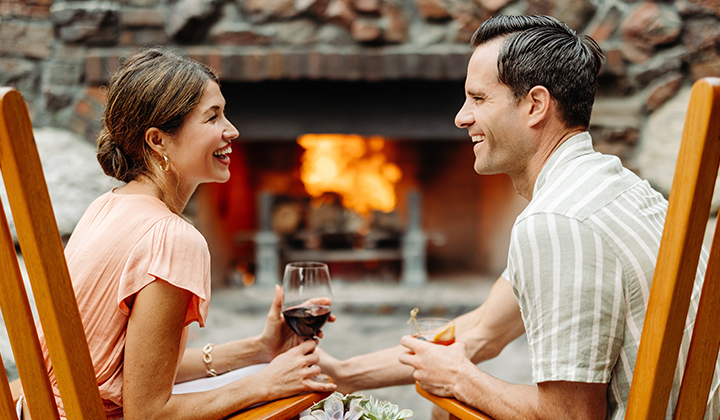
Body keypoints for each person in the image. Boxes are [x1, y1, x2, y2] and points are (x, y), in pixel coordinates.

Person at [318, 15, 720, 419]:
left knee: (448, 408)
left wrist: (460, 379)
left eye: (478, 99)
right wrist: (344, 374)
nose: (461, 117)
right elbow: (483, 331)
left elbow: (571, 417)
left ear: (535, 105)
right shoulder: (612, 188)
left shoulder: (559, 222)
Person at [18, 48, 336, 420]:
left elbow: (132, 373)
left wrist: (258, 350)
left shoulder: (107, 206)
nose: (232, 130)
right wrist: (265, 384)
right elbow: (148, 413)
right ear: (158, 141)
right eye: (212, 117)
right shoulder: (171, 238)